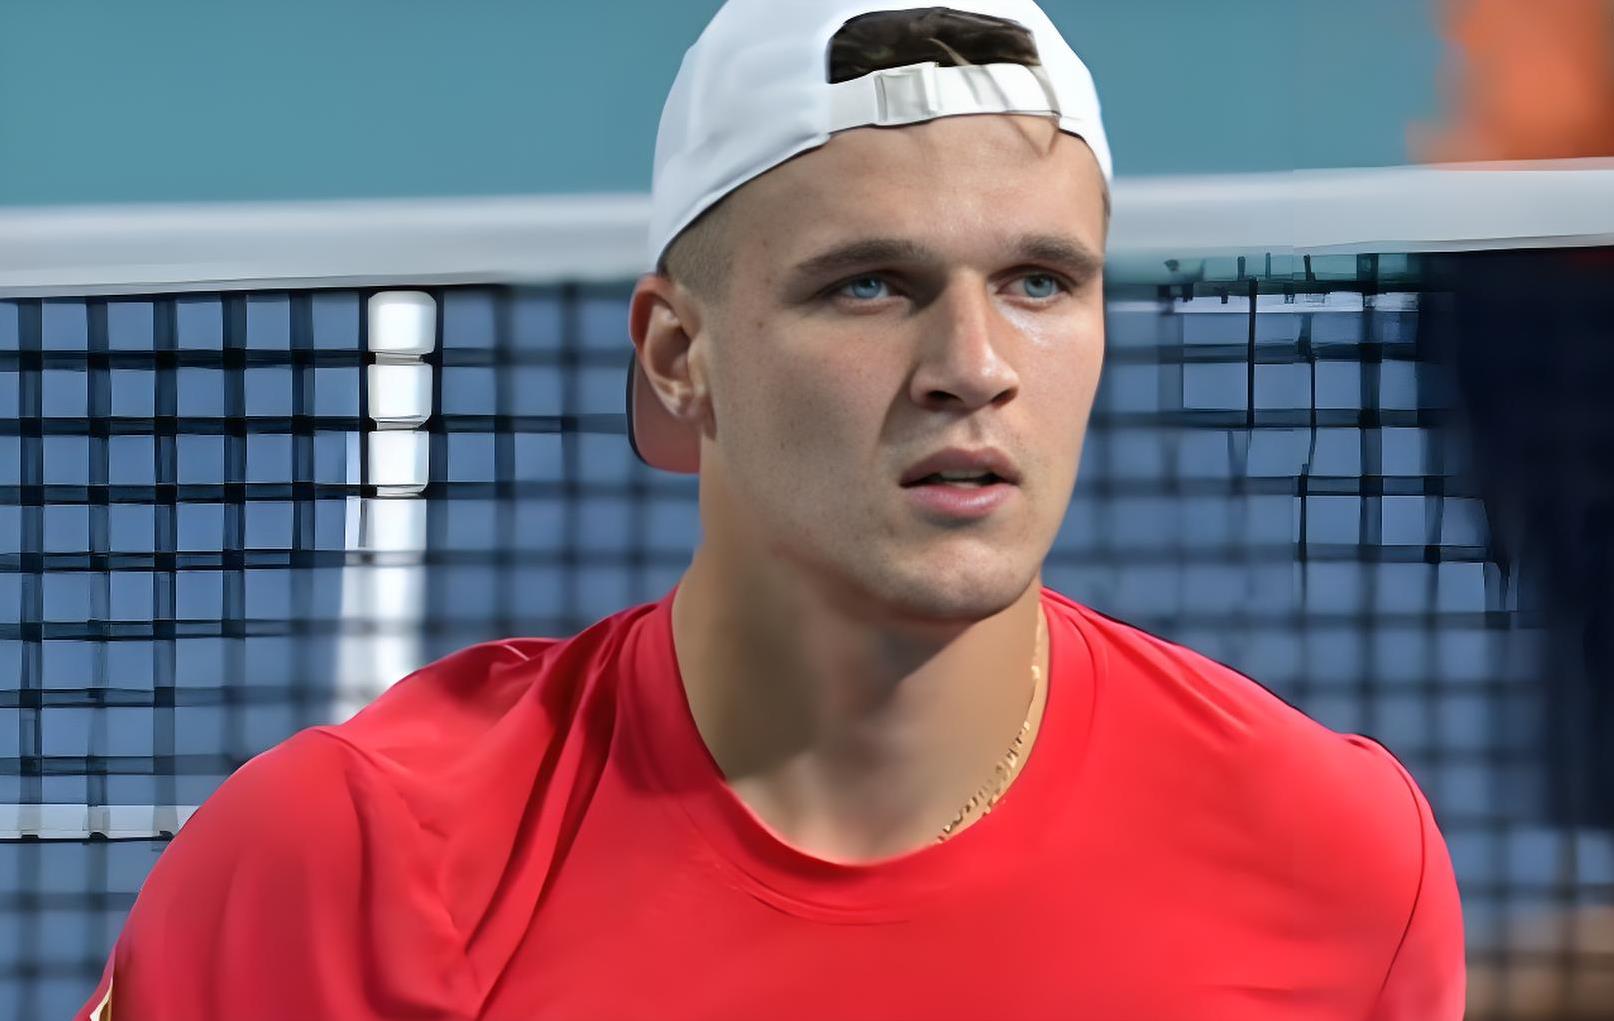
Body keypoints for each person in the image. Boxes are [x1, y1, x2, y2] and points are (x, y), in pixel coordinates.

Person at [77, 2, 1466, 1018]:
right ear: (678, 357)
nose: (974, 365)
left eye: (1040, 281)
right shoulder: (352, 870)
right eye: (869, 284)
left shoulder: (1334, 863)